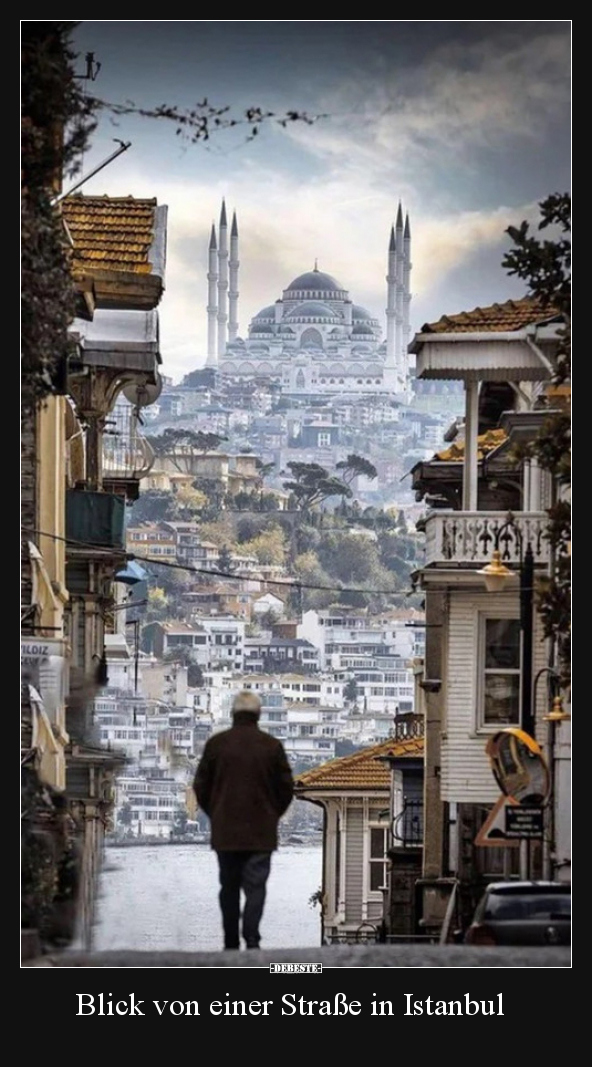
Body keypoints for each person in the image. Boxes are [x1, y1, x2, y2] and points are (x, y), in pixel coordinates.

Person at [193, 689, 294, 950]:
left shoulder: (217, 745)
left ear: (233, 714)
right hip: (261, 832)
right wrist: (273, 814)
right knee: (255, 887)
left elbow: (200, 786)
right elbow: (286, 788)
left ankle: (229, 941)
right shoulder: (272, 746)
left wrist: (215, 812)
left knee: (228, 886)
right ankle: (251, 937)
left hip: (226, 831)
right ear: (258, 715)